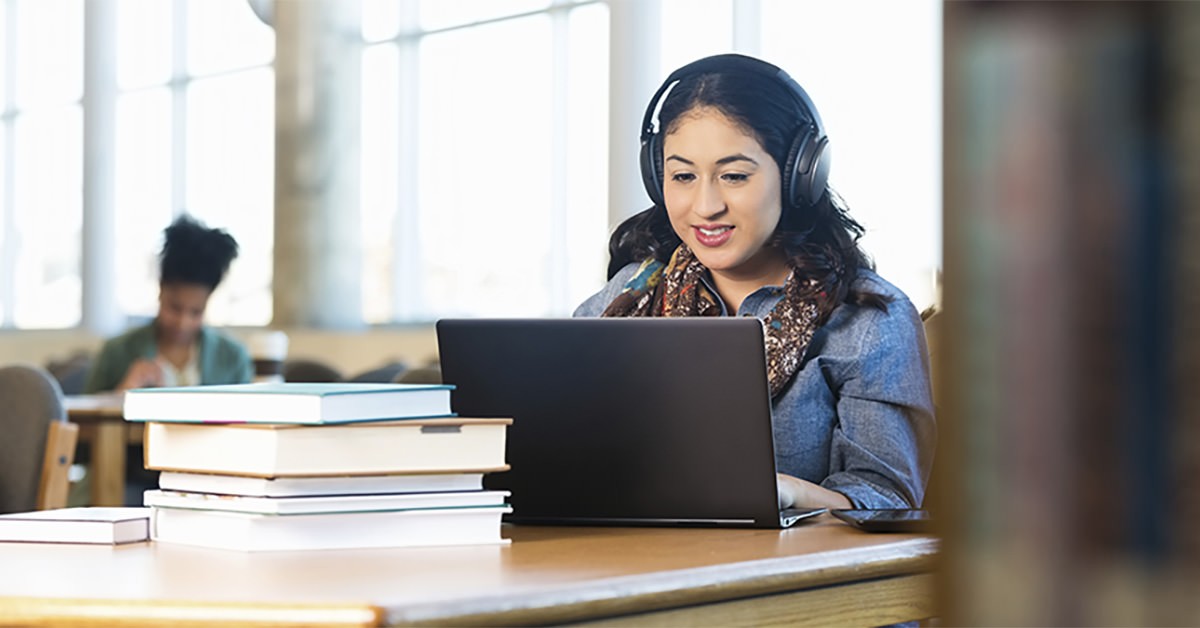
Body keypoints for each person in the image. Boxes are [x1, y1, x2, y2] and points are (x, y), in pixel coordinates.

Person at [574, 54, 936, 511]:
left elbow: (888, 497)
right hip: (624, 563)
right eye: (683, 176)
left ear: (798, 177)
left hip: (785, 574)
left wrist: (786, 491)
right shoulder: (632, 292)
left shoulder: (869, 321)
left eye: (734, 176)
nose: (705, 206)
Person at [84, 215, 253, 393]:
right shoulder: (116, 353)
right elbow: (82, 414)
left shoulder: (233, 358)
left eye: (196, 312)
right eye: (175, 308)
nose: (183, 322)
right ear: (160, 290)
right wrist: (123, 393)